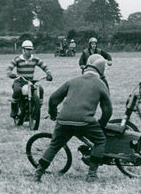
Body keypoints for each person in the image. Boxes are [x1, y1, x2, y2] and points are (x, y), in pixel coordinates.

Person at [34, 54, 113, 182]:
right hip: (85, 121)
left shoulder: (72, 81)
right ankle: (92, 174)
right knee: (100, 141)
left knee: (54, 146)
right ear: (102, 69)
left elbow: (53, 99)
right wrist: (101, 124)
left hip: (63, 120)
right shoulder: (100, 84)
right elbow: (108, 110)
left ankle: (38, 173)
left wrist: (53, 114)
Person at [7, 40, 53, 119]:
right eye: (27, 49)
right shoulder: (17, 59)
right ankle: (14, 110)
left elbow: (44, 66)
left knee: (40, 90)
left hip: (30, 81)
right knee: (17, 90)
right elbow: (9, 68)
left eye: (30, 49)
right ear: (23, 49)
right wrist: (10, 74)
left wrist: (48, 74)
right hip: (20, 80)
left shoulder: (35, 59)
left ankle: (37, 109)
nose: (29, 51)